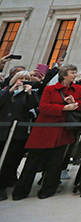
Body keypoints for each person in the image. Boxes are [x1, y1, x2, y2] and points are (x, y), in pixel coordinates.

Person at [13, 64, 81, 200]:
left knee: (55, 163)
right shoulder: (50, 89)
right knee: (32, 162)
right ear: (64, 75)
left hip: (62, 130)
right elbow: (43, 106)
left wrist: (74, 102)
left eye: (75, 73)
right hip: (44, 130)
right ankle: (21, 191)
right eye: (72, 72)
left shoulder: (78, 89)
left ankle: (48, 189)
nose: (75, 75)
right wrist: (64, 108)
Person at [0, 71, 39, 201]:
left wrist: (29, 92)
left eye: (26, 79)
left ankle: (3, 185)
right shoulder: (6, 91)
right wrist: (11, 89)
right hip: (3, 130)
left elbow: (34, 106)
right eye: (20, 78)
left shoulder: (30, 94)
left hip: (18, 132)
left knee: (10, 161)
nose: (23, 81)